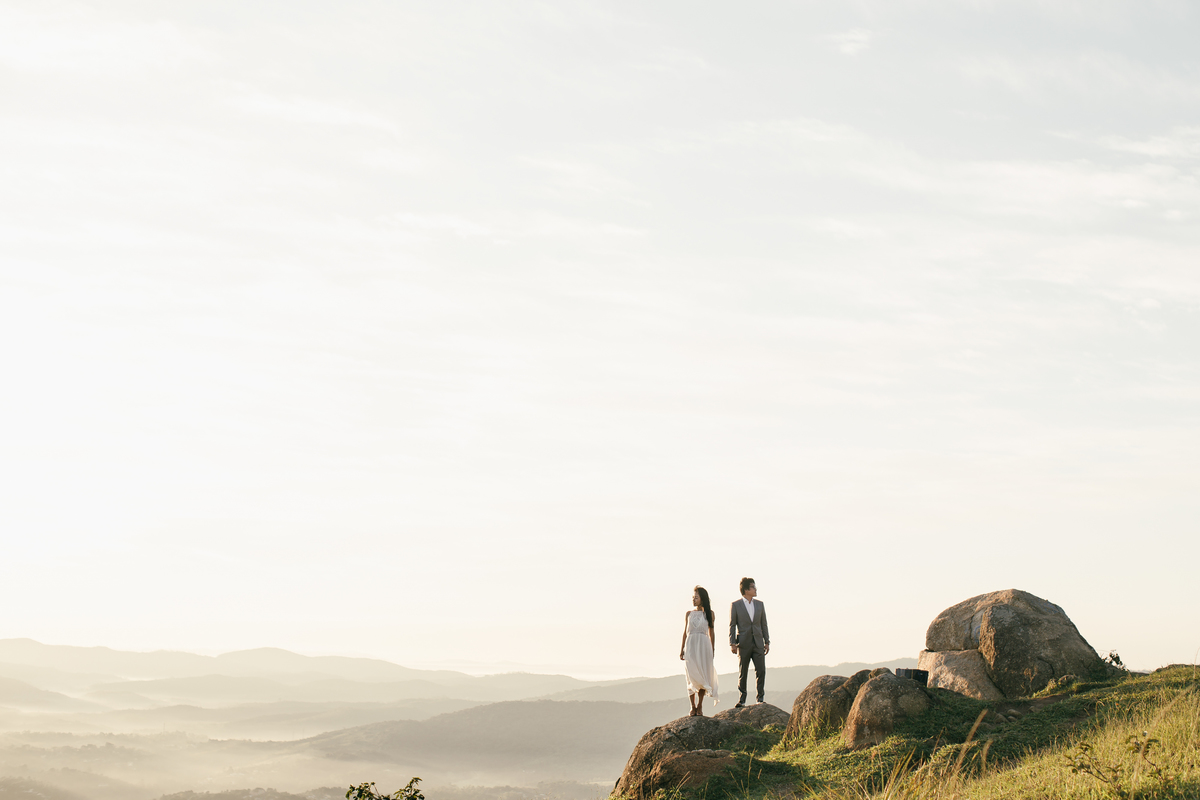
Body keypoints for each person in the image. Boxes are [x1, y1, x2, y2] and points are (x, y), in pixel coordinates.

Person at [729, 577, 769, 707]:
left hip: (758, 642)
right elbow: (732, 625)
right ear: (746, 590)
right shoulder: (736, 605)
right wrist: (732, 643)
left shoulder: (760, 604)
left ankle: (760, 698)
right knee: (743, 672)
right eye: (753, 587)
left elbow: (764, 624)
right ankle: (742, 699)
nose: (755, 589)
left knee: (761, 671)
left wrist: (767, 641)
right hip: (743, 643)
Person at [679, 585, 719, 716]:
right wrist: (681, 649)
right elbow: (685, 633)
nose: (693, 599)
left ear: (702, 598)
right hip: (690, 645)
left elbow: (712, 633)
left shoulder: (709, 614)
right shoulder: (689, 614)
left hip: (704, 646)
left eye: (696, 597)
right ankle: (692, 706)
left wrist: (712, 650)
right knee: (690, 674)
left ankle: (700, 705)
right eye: (693, 597)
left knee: (702, 674)